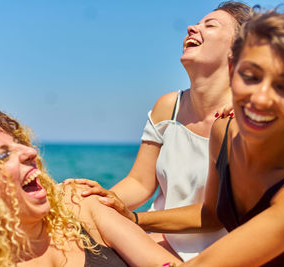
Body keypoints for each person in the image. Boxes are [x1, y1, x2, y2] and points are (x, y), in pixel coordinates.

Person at [130, 7, 284, 266]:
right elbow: (210, 214)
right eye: (250, 76)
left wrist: (106, 218)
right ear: (234, 69)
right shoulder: (223, 130)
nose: (259, 98)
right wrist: (130, 217)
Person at [72, 1, 251, 261]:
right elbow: (140, 183)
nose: (191, 28)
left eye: (209, 25)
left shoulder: (245, 120)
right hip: (162, 243)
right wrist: (99, 201)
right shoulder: (168, 107)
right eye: (196, 23)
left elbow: (213, 216)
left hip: (225, 255)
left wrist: (133, 219)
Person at [0, 106, 182, 267]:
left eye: (19, 144)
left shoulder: (77, 203)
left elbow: (162, 264)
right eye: (4, 155)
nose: (30, 152)